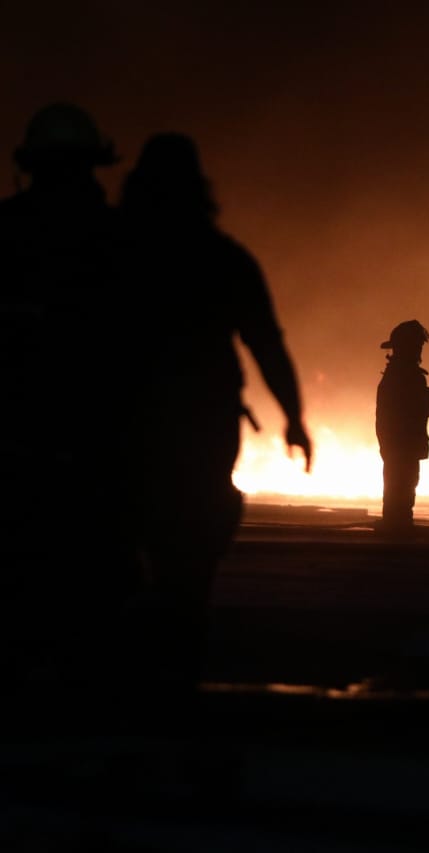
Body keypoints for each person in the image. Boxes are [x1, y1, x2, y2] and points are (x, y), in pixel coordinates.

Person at [117, 131, 313, 693]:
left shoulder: (106, 251)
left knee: (118, 552)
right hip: (201, 428)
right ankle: (177, 678)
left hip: (122, 429)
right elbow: (266, 345)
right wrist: (293, 419)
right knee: (189, 565)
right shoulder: (222, 258)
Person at [0, 102, 141, 693]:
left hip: (23, 450)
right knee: (99, 592)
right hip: (98, 453)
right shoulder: (120, 242)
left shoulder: (5, 235)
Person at [376, 319, 429, 536]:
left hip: (403, 447)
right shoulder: (402, 378)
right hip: (402, 447)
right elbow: (392, 417)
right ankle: (396, 529)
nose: (419, 350)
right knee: (401, 486)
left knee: (404, 485)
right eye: (416, 345)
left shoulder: (402, 376)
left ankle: (398, 525)